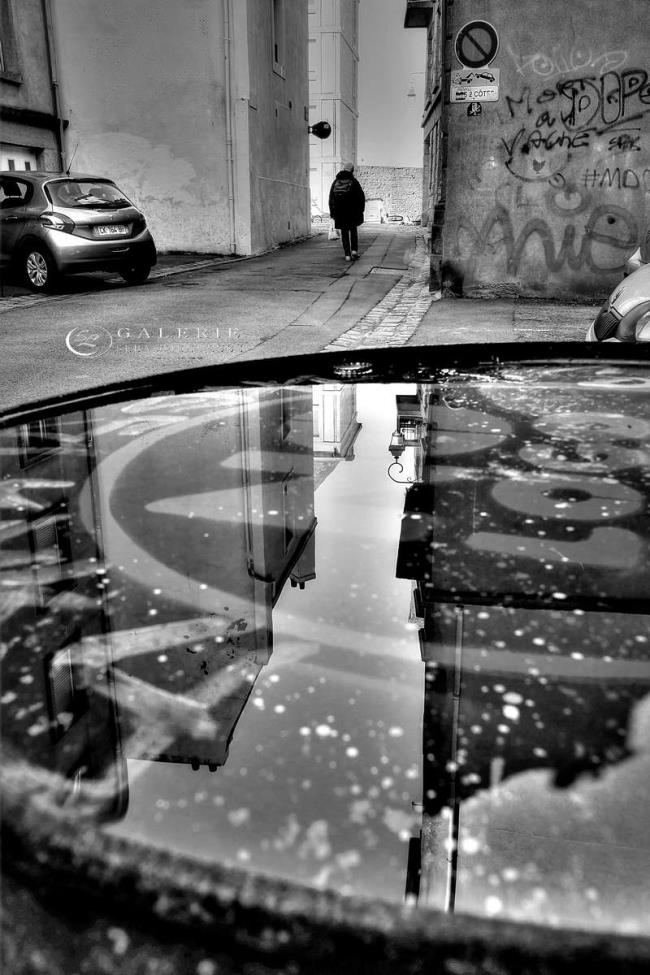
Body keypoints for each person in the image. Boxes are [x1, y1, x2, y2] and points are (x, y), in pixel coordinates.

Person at [328, 163, 365, 262]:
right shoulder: (354, 182)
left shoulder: (336, 181)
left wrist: (332, 213)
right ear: (352, 171)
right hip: (352, 212)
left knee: (344, 233)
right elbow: (361, 197)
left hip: (340, 212)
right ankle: (354, 251)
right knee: (353, 231)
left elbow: (331, 198)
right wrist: (361, 210)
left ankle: (347, 255)